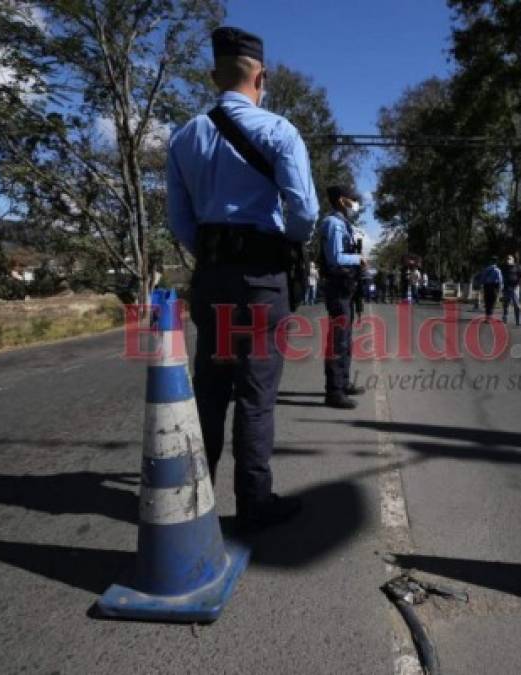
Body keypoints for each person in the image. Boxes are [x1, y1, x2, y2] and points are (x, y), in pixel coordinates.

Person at [167, 27, 318, 531]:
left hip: (211, 276)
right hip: (260, 277)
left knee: (210, 388)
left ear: (214, 75)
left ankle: (194, 498)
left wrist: (214, 255)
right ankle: (253, 502)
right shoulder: (279, 131)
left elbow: (180, 222)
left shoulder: (185, 136)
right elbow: (304, 212)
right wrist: (281, 244)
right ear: (263, 76)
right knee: (255, 393)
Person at [320, 185, 366, 409]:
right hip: (338, 288)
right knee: (338, 340)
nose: (355, 203)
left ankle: (343, 383)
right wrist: (358, 260)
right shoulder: (333, 224)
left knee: (346, 340)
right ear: (341, 200)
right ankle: (334, 391)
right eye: (352, 199)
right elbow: (335, 258)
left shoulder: (344, 224)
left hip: (346, 289)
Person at [500, 254, 521, 325]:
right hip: (506, 288)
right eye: (507, 259)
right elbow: (501, 277)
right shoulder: (504, 267)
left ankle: (518, 321)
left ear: (513, 260)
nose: (508, 260)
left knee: (517, 305)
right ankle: (505, 318)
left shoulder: (518, 267)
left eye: (509, 259)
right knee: (506, 304)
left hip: (515, 288)